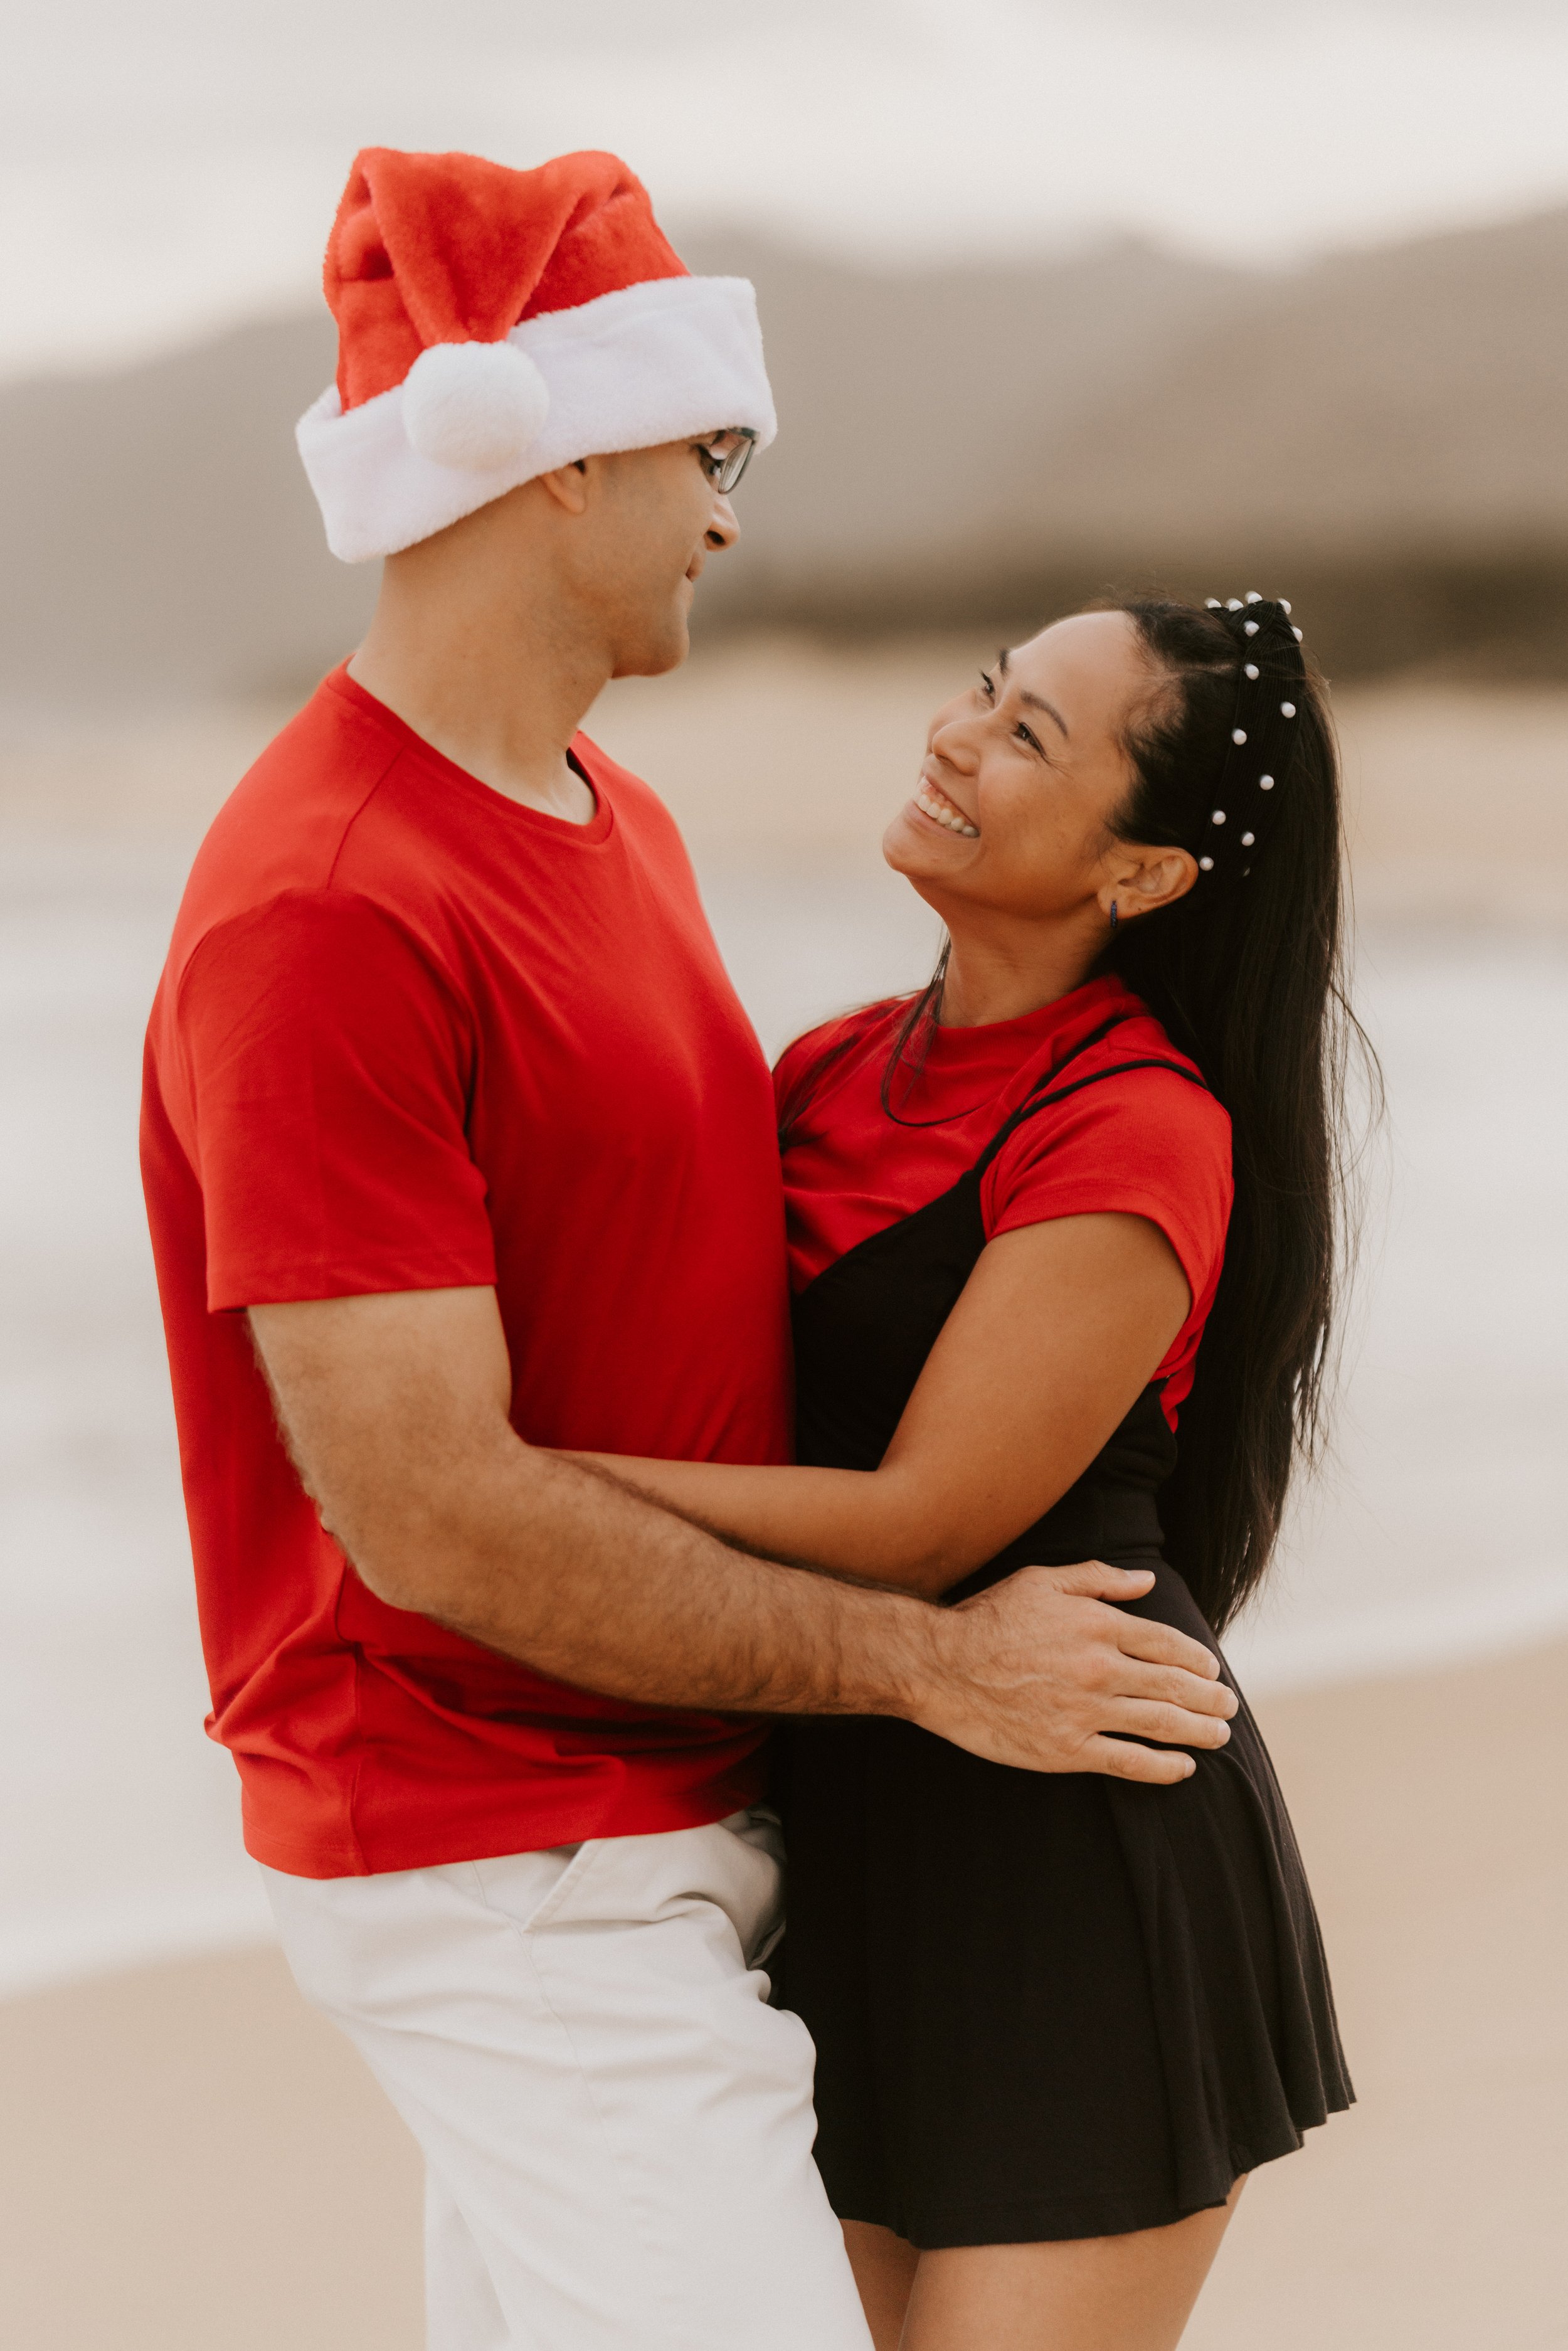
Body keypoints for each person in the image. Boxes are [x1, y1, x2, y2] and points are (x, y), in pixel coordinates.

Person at [139, 148, 1236, 2351]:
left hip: (667, 1807)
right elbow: (428, 1511)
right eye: (705, 451)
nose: (731, 515)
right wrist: (935, 1661)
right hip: (494, 1851)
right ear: (553, 461)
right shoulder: (327, 908)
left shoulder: (601, 810)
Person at [575, 594, 1357, 2350]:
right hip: (853, 1842)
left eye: (1027, 737)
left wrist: (528, 1484)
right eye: (987, 691)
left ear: (1141, 874)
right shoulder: (831, 1068)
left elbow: (925, 1516)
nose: (953, 732)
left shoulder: (1132, 1124)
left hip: (1072, 1848)